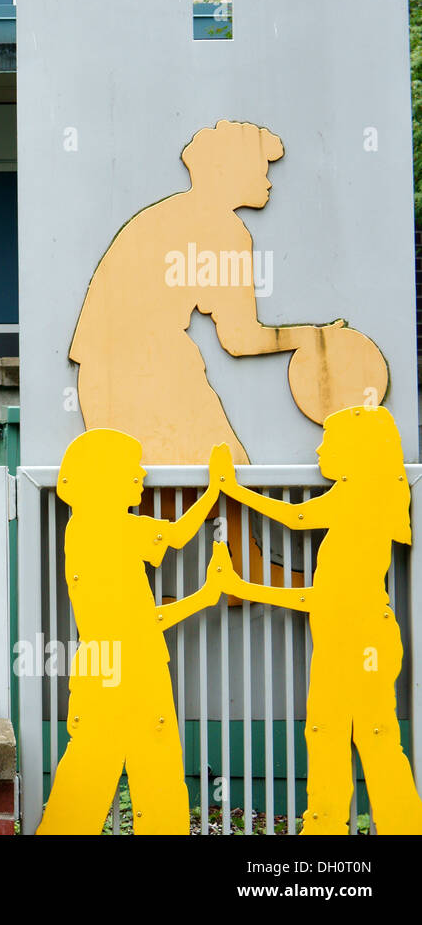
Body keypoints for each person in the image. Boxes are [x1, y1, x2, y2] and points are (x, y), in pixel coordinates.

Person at [69, 119, 344, 464]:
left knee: (178, 494)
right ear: (230, 173)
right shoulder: (222, 229)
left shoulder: (167, 215)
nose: (268, 182)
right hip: (145, 371)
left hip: (107, 375)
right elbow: (240, 339)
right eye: (261, 170)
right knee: (230, 481)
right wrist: (312, 337)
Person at [209, 410, 422, 834]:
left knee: (371, 737)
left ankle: (390, 825)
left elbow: (302, 533)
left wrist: (242, 584)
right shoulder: (361, 494)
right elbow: (297, 519)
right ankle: (333, 826)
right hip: (343, 641)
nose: (320, 447)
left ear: (355, 451)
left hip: (362, 640)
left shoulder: (360, 496)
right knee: (331, 734)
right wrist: (234, 490)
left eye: (329, 439)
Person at [36, 429, 229, 835]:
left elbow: (139, 620)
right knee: (155, 773)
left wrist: (204, 596)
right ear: (105, 477)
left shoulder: (83, 529)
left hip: (107, 663)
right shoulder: (111, 526)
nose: (141, 473)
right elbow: (176, 536)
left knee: (90, 772)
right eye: (131, 468)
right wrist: (215, 490)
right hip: (137, 669)